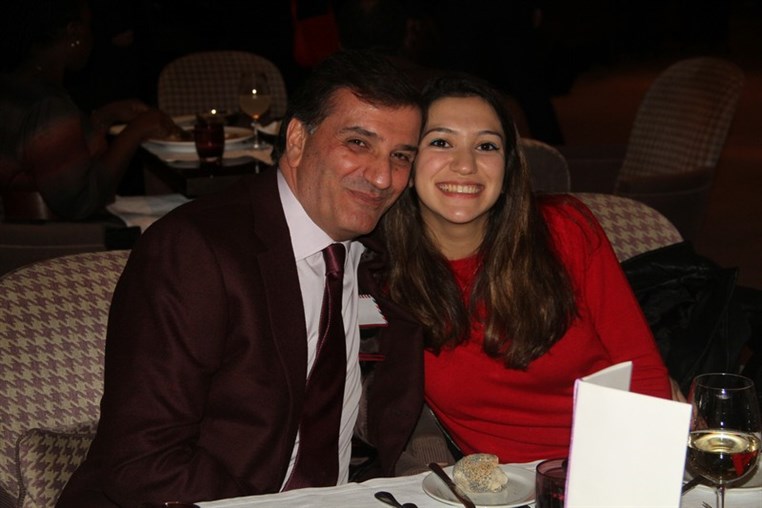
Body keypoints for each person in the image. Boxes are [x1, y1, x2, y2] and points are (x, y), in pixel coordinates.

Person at [57, 49, 424, 507]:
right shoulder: (197, 251)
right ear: (297, 139)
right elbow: (143, 461)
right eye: (358, 143)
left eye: (400, 156)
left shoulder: (381, 258)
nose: (383, 177)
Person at [383, 74, 672, 465]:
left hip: (610, 465)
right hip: (498, 487)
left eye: (486, 146)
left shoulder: (565, 231)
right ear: (408, 161)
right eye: (441, 142)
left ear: (508, 168)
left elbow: (640, 368)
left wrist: (651, 464)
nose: (465, 165)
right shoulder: (385, 272)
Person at [0, 0, 177, 221]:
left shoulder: (14, 86)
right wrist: (134, 132)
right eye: (89, 27)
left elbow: (47, 154)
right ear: (74, 33)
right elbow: (81, 202)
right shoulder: (49, 105)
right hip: (52, 236)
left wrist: (103, 117)